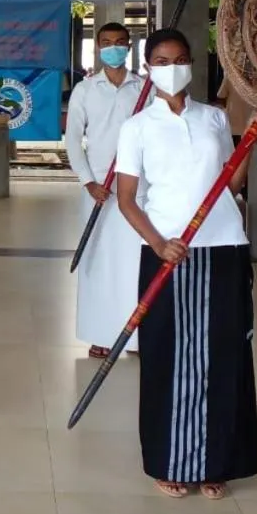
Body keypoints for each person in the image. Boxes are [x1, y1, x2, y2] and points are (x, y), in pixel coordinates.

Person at [115, 28, 257, 500]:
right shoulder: (137, 127)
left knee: (224, 356)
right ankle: (171, 461)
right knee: (169, 357)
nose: (172, 67)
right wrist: (158, 243)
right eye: (162, 60)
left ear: (192, 64)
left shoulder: (214, 119)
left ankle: (214, 462)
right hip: (169, 252)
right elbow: (127, 200)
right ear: (148, 67)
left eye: (180, 59)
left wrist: (252, 144)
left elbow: (229, 183)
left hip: (223, 245)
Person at [64, 23, 148, 357]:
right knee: (98, 261)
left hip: (137, 190)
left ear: (129, 47)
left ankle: (136, 335)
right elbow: (72, 139)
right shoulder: (85, 90)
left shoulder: (145, 89)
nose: (113, 47)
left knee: (134, 262)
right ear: (98, 48)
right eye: (106, 43)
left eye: (119, 42)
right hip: (99, 189)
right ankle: (101, 333)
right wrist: (88, 181)